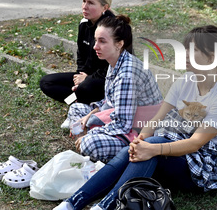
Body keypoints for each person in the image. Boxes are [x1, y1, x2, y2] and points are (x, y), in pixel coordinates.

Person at [53, 25, 217, 210]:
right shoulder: (186, 81)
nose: (185, 55)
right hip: (180, 149)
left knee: (150, 149)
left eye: (193, 50)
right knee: (138, 149)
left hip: (210, 164)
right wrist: (139, 141)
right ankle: (71, 203)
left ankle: (105, 206)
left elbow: (195, 143)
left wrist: (151, 147)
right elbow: (156, 119)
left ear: (212, 57)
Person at [65, 15, 163, 163]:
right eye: (96, 39)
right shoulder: (115, 61)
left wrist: (91, 131)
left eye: (102, 41)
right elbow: (109, 101)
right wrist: (90, 115)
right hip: (121, 118)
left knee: (90, 143)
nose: (95, 46)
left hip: (138, 132)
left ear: (119, 44)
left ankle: (87, 143)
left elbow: (123, 124)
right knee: (76, 109)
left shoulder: (127, 74)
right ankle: (86, 140)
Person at [40, 0, 114, 107]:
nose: (85, 7)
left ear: (104, 7)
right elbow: (81, 55)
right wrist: (80, 76)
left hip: (108, 79)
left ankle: (83, 103)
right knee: (46, 82)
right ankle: (78, 104)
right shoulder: (84, 24)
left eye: (91, 3)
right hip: (87, 78)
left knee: (85, 87)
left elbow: (111, 67)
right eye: (84, 1)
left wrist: (87, 79)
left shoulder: (113, 29)